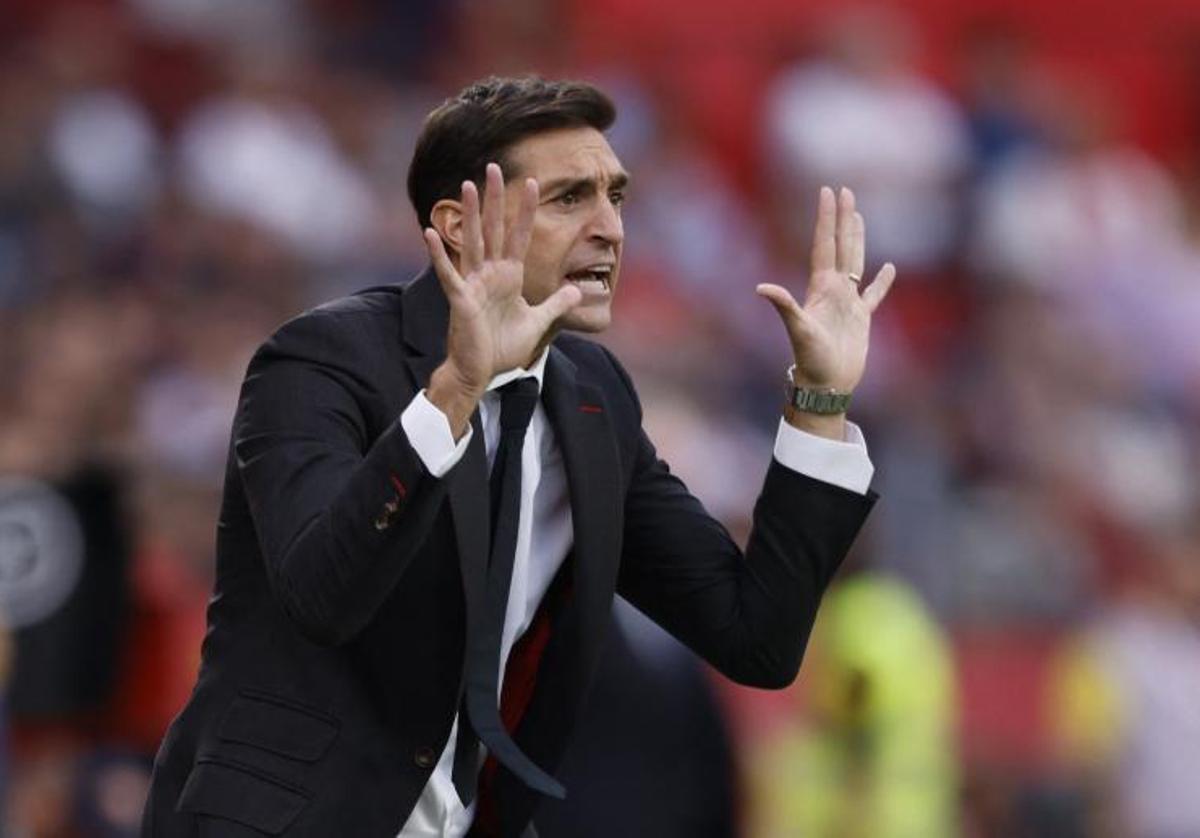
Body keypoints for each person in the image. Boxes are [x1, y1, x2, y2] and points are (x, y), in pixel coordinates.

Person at [141, 76, 895, 838]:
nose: (611, 229)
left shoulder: (593, 399)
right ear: (459, 225)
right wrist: (455, 393)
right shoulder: (320, 359)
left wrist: (820, 399)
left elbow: (754, 638)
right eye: (571, 199)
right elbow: (320, 596)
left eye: (617, 197)